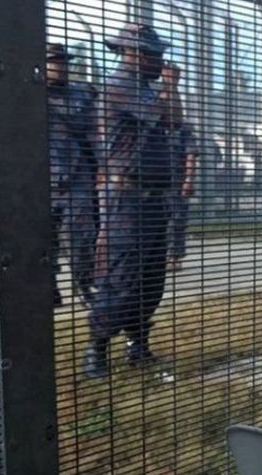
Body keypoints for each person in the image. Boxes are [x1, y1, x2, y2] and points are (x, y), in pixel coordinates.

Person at [84, 24, 172, 379]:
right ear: (134, 54)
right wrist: (170, 86)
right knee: (119, 276)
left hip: (153, 199)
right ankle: (96, 350)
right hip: (125, 198)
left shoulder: (146, 90)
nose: (161, 62)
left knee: (151, 279)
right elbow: (165, 115)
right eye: (155, 55)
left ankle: (138, 345)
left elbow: (175, 120)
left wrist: (169, 87)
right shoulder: (120, 86)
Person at [46, 43, 98, 308]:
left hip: (77, 175)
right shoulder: (27, 93)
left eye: (64, 61)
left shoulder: (82, 95)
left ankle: (84, 285)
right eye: (55, 61)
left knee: (80, 237)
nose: (61, 66)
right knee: (44, 239)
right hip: (40, 177)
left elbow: (94, 133)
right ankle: (49, 286)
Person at [160, 63, 198, 272]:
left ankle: (174, 256)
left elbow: (190, 154)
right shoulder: (152, 116)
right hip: (155, 178)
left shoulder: (183, 128)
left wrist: (188, 179)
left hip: (176, 179)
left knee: (176, 219)